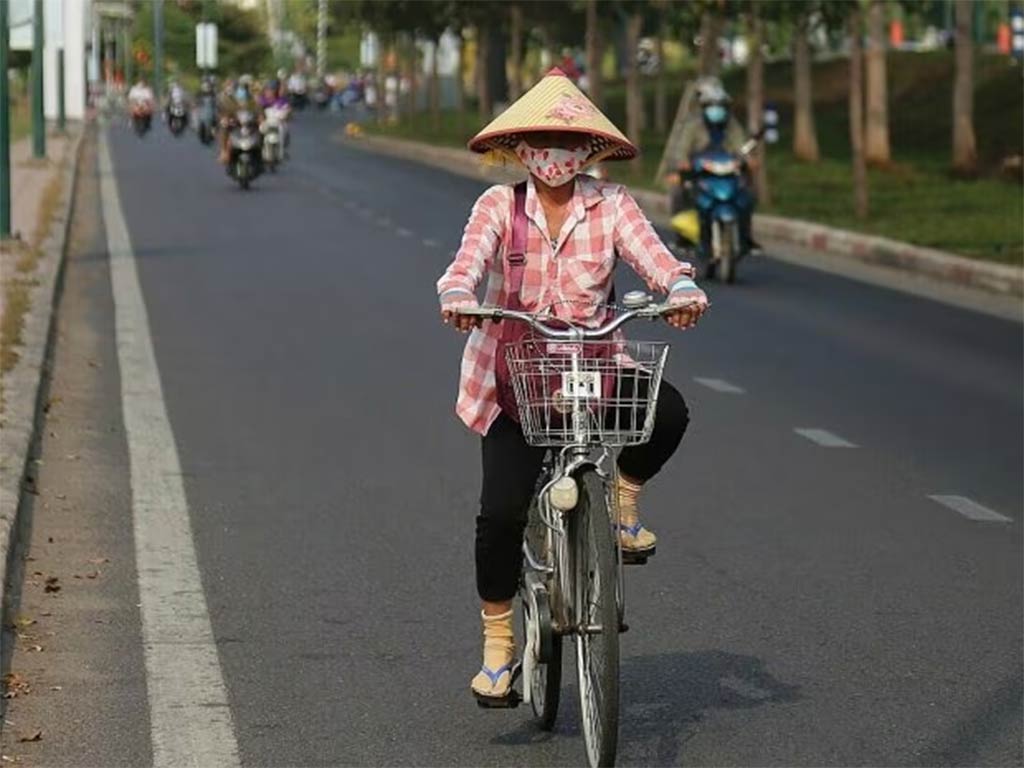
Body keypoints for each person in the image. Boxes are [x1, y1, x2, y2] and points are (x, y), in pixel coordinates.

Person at [436, 67, 709, 705]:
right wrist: (459, 297)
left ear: (590, 151)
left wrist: (680, 288)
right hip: (517, 380)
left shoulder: (612, 205)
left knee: (666, 413)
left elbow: (654, 256)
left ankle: (621, 498)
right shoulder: (499, 206)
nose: (553, 156)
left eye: (568, 144)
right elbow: (467, 261)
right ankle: (499, 645)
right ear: (520, 148)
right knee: (500, 513)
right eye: (539, 142)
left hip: (595, 368)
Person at [668, 77, 759, 253]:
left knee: (747, 196)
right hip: (700, 171)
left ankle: (746, 236)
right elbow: (681, 150)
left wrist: (748, 160)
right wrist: (683, 162)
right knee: (679, 192)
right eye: (711, 105)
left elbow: (741, 147)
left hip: (726, 170)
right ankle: (683, 238)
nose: (715, 110)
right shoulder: (693, 125)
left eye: (719, 105)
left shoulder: (731, 126)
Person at [217, 75, 263, 164]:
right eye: (245, 84)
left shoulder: (255, 93)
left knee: (263, 129)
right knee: (224, 126)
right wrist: (226, 117)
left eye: (249, 84)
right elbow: (225, 106)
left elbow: (259, 107)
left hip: (251, 117)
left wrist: (261, 118)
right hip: (236, 117)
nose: (247, 86)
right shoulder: (232, 93)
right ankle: (223, 151)